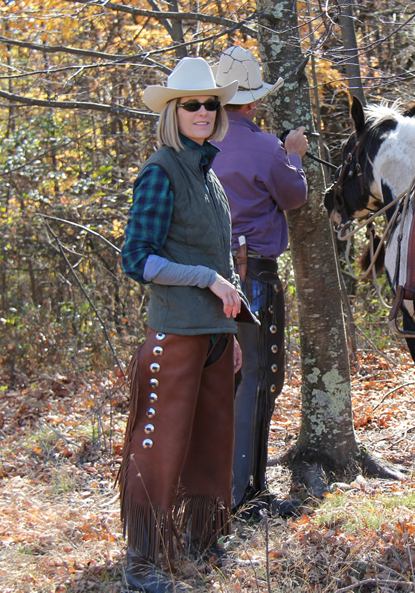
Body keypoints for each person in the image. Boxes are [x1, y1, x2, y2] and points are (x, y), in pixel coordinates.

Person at [118, 56, 250, 593]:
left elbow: (221, 258)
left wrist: (231, 332)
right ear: (172, 112)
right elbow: (137, 259)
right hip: (175, 334)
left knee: (213, 443)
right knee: (161, 446)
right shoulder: (161, 171)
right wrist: (206, 279)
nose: (202, 112)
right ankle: (142, 561)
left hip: (215, 335)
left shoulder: (208, 175)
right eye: (191, 104)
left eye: (210, 104)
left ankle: (201, 542)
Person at [210, 46, 308, 520]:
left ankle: (230, 486)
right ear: (252, 102)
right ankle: (245, 494)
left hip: (208, 278)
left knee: (227, 380)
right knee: (259, 378)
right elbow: (294, 195)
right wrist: (295, 156)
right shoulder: (266, 147)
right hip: (254, 277)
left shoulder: (200, 145)